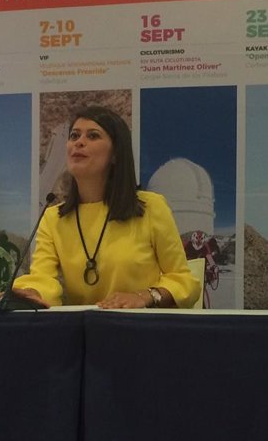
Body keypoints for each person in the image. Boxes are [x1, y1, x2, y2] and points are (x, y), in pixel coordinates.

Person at [10, 105, 200, 309]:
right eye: (74, 136)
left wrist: (145, 296)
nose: (79, 142)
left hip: (140, 325)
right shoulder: (52, 218)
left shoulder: (151, 207)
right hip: (84, 328)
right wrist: (32, 294)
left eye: (93, 136)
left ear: (116, 154)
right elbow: (43, 279)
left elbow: (184, 281)